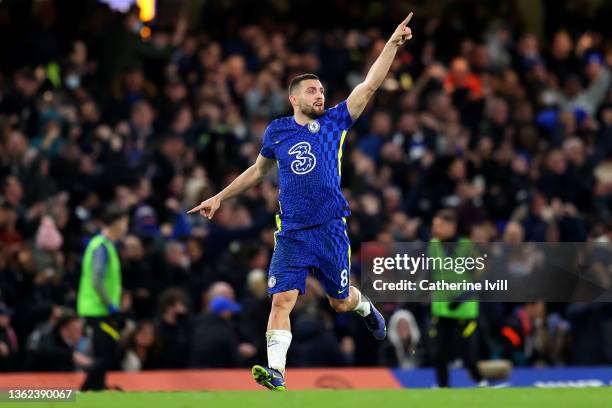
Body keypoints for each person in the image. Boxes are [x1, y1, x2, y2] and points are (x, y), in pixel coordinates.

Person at [188, 12, 415, 391]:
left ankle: (365, 306)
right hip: (291, 231)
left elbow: (369, 85)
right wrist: (219, 197)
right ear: (294, 98)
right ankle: (276, 371)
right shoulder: (277, 131)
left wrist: (391, 44)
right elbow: (258, 171)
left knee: (339, 303)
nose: (320, 95)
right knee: (282, 300)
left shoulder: (335, 122)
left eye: (322, 90)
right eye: (312, 91)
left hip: (329, 229)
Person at [427, 209, 485, 387]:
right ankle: (442, 388)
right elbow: (430, 274)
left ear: (452, 226)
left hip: (464, 311)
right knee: (439, 353)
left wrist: (463, 297)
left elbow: (480, 277)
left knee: (468, 353)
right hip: (442, 310)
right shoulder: (433, 245)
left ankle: (480, 382)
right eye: (434, 225)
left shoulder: (468, 247)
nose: (435, 229)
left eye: (439, 225)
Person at [77, 205, 129, 390]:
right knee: (107, 353)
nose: (125, 227)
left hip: (99, 308)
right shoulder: (101, 247)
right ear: (115, 224)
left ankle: (98, 388)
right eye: (124, 222)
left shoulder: (105, 245)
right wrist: (111, 306)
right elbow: (97, 280)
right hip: (97, 309)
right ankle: (85, 390)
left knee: (107, 351)